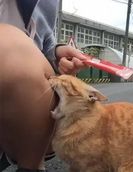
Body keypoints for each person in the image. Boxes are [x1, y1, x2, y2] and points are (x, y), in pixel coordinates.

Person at [0, 0, 87, 171]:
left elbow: (45, 39)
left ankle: (31, 164)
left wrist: (56, 54)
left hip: (21, 100)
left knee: (16, 52)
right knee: (9, 42)